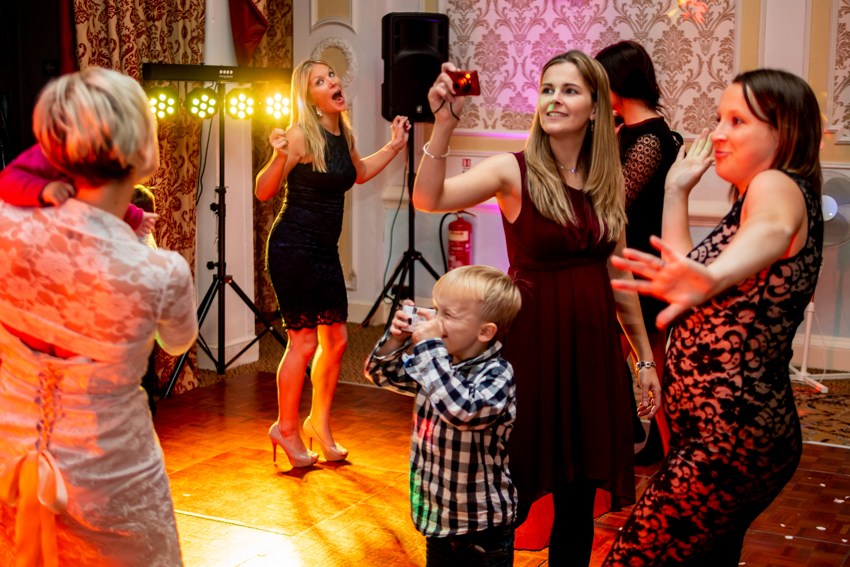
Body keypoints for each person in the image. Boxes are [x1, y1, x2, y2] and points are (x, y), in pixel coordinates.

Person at [413, 50, 661, 565]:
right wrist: (443, 127)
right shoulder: (512, 170)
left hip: (592, 350)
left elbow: (618, 277)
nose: (554, 99)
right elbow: (429, 199)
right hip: (533, 345)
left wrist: (643, 360)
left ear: (596, 106)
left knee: (579, 494)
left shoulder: (606, 178)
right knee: (513, 476)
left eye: (569, 90)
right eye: (548, 89)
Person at [603, 68, 824, 565]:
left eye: (738, 121)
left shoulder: (776, 186)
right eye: (719, 118)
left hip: (730, 440)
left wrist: (715, 275)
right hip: (723, 434)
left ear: (784, 132)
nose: (718, 133)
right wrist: (676, 191)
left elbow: (772, 230)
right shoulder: (749, 199)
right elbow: (688, 272)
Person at [0, 68, 198, 565]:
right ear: (140, 149)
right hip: (112, 476)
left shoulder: (5, 225)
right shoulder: (160, 271)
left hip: (9, 457)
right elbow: (177, 343)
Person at [255, 59, 410, 467]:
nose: (332, 82)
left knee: (337, 341)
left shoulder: (343, 131)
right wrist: (278, 156)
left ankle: (318, 424)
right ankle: (285, 428)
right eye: (319, 81)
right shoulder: (299, 135)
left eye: (332, 76)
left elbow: (359, 173)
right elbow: (264, 191)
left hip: (324, 251)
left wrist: (395, 145)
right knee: (304, 342)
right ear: (309, 97)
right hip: (292, 247)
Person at [365, 265, 522, 567]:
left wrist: (429, 350)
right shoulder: (438, 362)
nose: (436, 322)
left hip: (481, 530)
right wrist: (396, 339)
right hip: (439, 522)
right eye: (437, 310)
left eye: (448, 315)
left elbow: (463, 410)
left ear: (485, 332)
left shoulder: (497, 373)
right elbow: (380, 373)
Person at [596, 40, 684, 463]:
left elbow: (616, 201)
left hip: (640, 264)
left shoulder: (651, 137)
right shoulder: (625, 129)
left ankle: (667, 445)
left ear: (619, 83)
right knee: (628, 360)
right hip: (626, 261)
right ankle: (649, 440)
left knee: (644, 360)